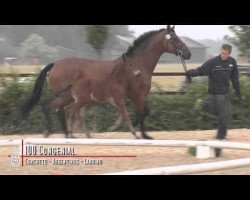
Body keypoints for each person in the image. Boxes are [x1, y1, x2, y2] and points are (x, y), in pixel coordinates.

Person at [186, 44, 241, 157]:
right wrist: (191, 73)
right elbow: (201, 70)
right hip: (215, 93)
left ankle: (203, 104)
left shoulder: (232, 62)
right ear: (220, 51)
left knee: (219, 113)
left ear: (229, 53)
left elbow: (234, 78)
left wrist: (238, 92)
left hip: (225, 92)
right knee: (224, 114)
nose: (223, 56)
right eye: (222, 53)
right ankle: (221, 137)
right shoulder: (213, 62)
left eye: (225, 54)